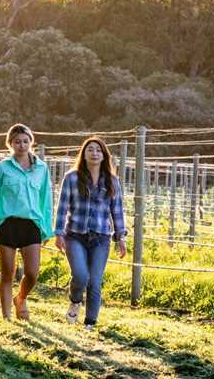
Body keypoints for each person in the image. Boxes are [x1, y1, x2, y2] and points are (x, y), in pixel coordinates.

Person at [0, 124, 53, 321]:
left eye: (25, 141)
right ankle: (7, 317)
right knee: (7, 273)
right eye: (17, 141)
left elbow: (46, 201)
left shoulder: (41, 169)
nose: (21, 145)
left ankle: (20, 298)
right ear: (10, 144)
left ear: (31, 142)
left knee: (32, 273)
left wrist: (46, 229)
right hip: (7, 225)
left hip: (31, 225)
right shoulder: (2, 168)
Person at [54, 136, 127, 330]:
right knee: (80, 275)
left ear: (104, 155)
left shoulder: (112, 181)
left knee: (95, 281)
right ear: (83, 154)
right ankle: (75, 300)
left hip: (101, 238)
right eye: (90, 150)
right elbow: (62, 207)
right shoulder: (71, 177)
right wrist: (58, 233)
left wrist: (120, 237)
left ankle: (90, 323)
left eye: (98, 150)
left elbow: (117, 210)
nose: (94, 153)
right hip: (75, 235)